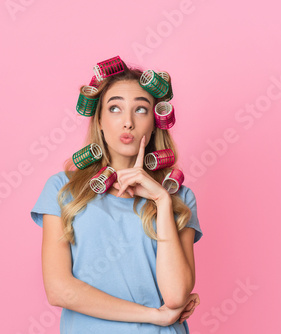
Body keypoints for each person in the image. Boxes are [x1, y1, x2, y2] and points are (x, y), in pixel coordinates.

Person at [30, 60, 203, 333]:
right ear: (99, 119)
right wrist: (153, 316)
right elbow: (60, 290)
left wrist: (161, 201)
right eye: (115, 108)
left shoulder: (178, 197)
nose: (128, 122)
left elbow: (175, 296)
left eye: (141, 109)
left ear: (155, 123)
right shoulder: (62, 190)